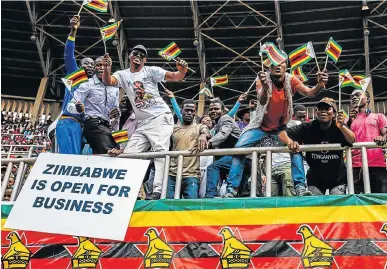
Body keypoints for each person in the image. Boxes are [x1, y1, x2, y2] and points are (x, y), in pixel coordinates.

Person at [224, 49, 329, 197]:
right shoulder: (262, 78)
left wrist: (319, 85)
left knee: (295, 148)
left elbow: (309, 93)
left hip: (281, 129)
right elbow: (261, 100)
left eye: (281, 63)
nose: (277, 66)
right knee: (239, 149)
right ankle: (231, 189)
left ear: (286, 66)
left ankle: (299, 186)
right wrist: (266, 87)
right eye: (273, 64)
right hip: (259, 126)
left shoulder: (290, 79)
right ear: (268, 67)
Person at [102, 45, 188, 200]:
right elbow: (108, 81)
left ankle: (157, 191)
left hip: (160, 117)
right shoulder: (122, 74)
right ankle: (128, 189)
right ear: (130, 56)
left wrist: (182, 71)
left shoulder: (151, 71)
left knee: (160, 152)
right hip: (143, 123)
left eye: (142, 55)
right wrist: (107, 68)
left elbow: (175, 77)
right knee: (129, 155)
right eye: (135, 53)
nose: (138, 56)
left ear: (145, 60)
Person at [278, 98, 355, 196]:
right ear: (316, 112)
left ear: (334, 113)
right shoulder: (308, 127)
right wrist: (290, 142)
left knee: (337, 208)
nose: (323, 111)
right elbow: (281, 134)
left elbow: (352, 140)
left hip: (338, 179)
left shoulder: (339, 126)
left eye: (327, 109)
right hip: (315, 181)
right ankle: (299, 187)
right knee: (315, 208)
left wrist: (342, 127)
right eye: (320, 108)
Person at [56, 15, 95, 155]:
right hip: (69, 122)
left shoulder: (95, 85)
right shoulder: (76, 74)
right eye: (86, 63)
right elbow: (68, 55)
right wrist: (73, 31)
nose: (90, 66)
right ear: (80, 66)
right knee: (69, 160)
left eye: (93, 64)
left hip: (83, 128)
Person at [68, 56, 120, 154]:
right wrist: (77, 108)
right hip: (93, 125)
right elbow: (70, 105)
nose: (102, 68)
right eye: (99, 65)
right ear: (95, 68)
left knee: (120, 151)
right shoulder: (87, 84)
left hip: (108, 127)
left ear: (110, 68)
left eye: (105, 65)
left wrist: (117, 113)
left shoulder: (115, 88)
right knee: (109, 154)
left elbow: (116, 111)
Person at [205, 100, 254, 198]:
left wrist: (209, 143)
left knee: (213, 167)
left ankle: (210, 195)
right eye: (211, 109)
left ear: (223, 111)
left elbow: (224, 133)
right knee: (239, 194)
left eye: (216, 109)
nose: (213, 111)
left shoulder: (225, 118)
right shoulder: (217, 124)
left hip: (240, 157)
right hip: (242, 159)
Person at [167, 99, 210, 199]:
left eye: (192, 110)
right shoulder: (173, 128)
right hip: (172, 174)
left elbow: (207, 132)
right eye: (187, 110)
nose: (189, 113)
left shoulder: (200, 127)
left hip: (191, 175)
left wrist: (203, 136)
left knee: (191, 208)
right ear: (181, 110)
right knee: (169, 207)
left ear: (195, 112)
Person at [347, 89, 387, 193]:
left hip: (377, 165)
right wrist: (348, 121)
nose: (354, 98)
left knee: (380, 202)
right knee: (356, 203)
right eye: (351, 97)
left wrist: (383, 137)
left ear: (368, 99)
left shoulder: (378, 116)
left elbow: (385, 133)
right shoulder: (346, 120)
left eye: (357, 95)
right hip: (354, 166)